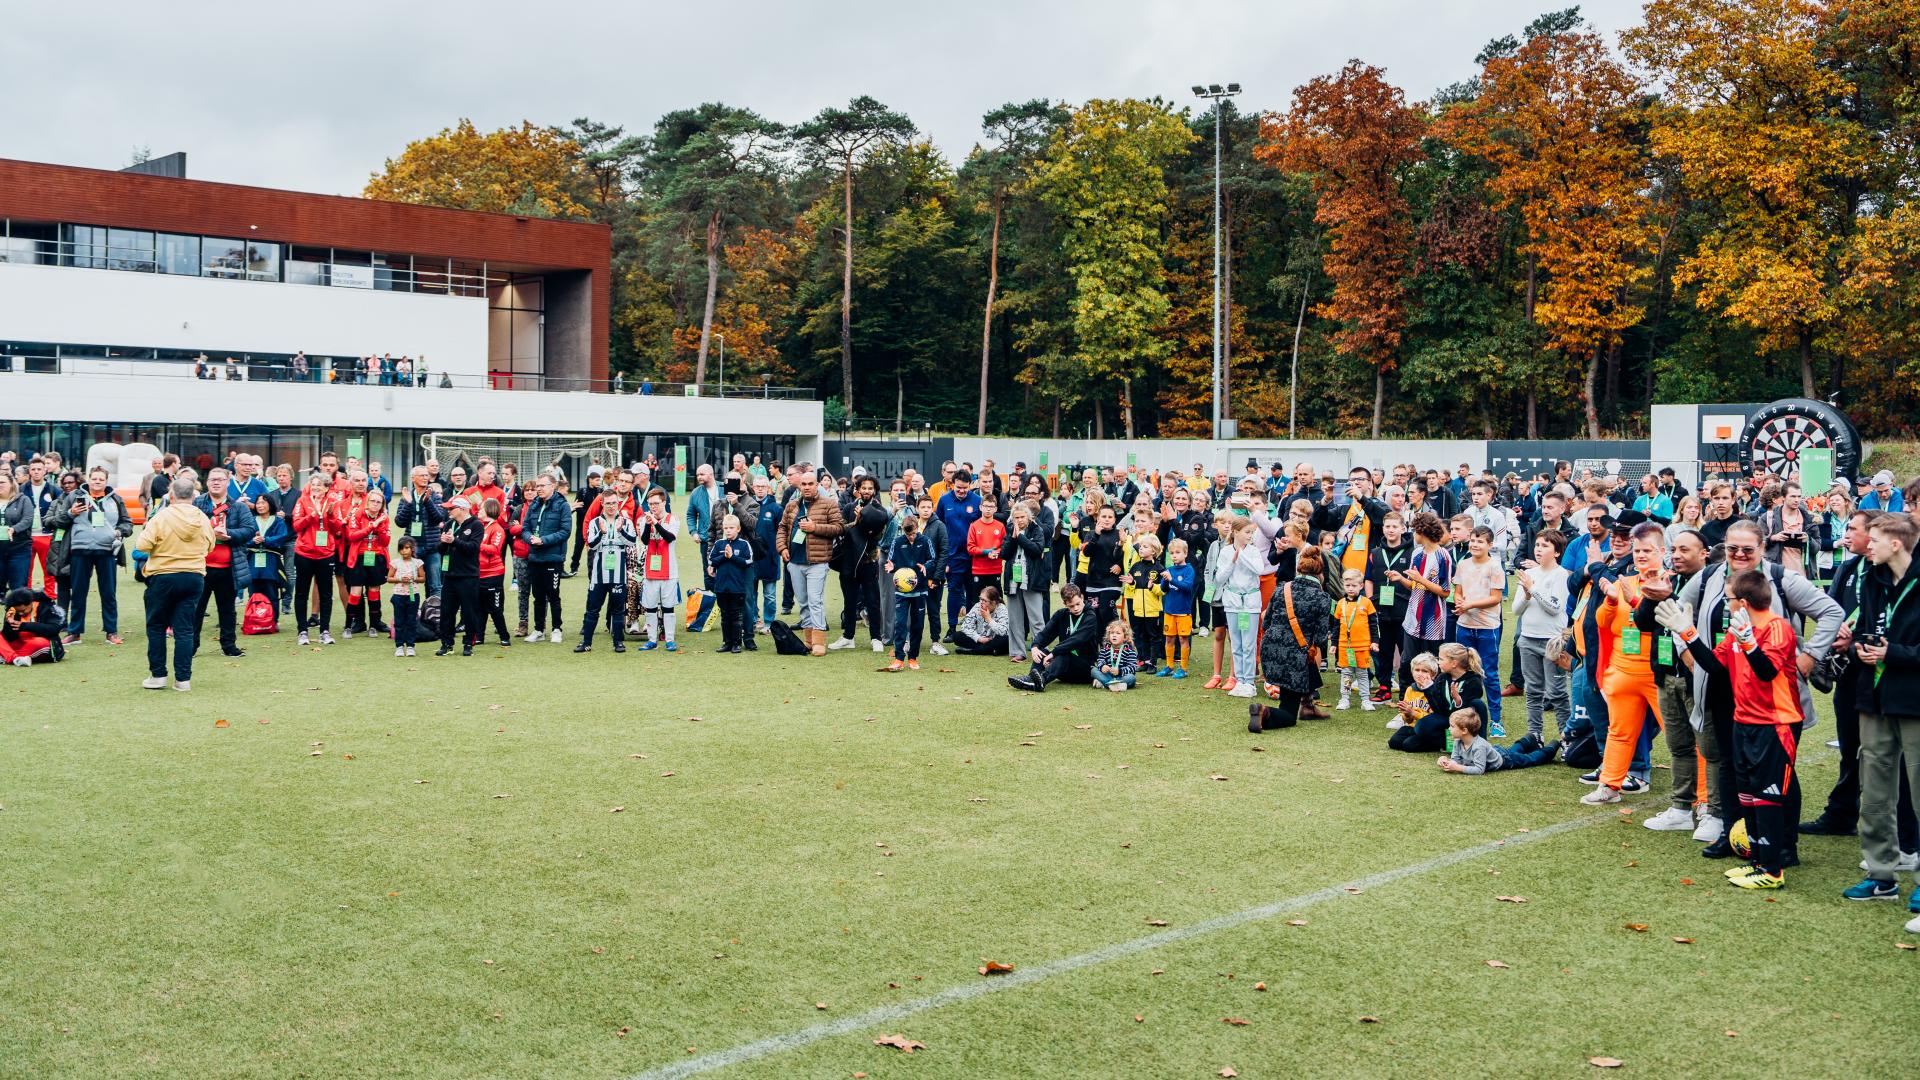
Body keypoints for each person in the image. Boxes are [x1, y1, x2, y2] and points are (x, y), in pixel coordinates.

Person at [1654, 569, 1803, 890]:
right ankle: (1757, 862)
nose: (1726, 603)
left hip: (1775, 725)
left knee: (1767, 796)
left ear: (1744, 603)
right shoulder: (1737, 631)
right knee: (1747, 795)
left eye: (1729, 598)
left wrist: (1749, 642)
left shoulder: (1777, 628)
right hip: (1743, 722)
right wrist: (1687, 634)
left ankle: (1773, 870)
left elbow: (1766, 672)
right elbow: (1714, 667)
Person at [1802, 510, 1919, 852]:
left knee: (1900, 765)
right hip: (1857, 677)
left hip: (1897, 682)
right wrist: (1847, 638)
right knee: (1854, 750)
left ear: (1879, 537)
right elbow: (1839, 612)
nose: (1848, 534)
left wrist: (1880, 649)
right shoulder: (1853, 568)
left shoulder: (1896, 575)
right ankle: (1843, 815)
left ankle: (1906, 841)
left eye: (1854, 529)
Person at [1838, 514, 1920, 920]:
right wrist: (1858, 647)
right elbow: (1866, 631)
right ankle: (1881, 874)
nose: (1866, 546)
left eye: (1874, 540)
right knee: (1874, 792)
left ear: (1896, 544)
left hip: (1913, 700)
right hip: (1873, 697)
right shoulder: (1871, 579)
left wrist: (1893, 653)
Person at [1581, 520, 1670, 806]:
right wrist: (1609, 602)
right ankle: (1610, 785)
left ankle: (1702, 800)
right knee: (1618, 731)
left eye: (1648, 550)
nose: (1641, 555)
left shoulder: (1670, 583)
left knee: (1681, 736)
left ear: (1662, 551)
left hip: (1659, 672)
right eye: (1638, 550)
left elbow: (1663, 622)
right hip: (1622, 670)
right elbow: (1602, 622)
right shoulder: (1624, 582)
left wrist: (1634, 602)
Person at [134, 476, 213, 691]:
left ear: (171, 495)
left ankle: (158, 675)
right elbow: (210, 546)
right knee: (185, 630)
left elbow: (142, 545)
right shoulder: (202, 518)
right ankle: (183, 679)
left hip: (163, 575)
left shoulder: (161, 517)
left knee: (156, 626)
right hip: (193, 576)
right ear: (193, 495)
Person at [1252, 546, 1334, 731]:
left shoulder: (1282, 588)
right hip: (1294, 658)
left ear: (1299, 570)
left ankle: (1308, 706)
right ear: (1320, 574)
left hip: (1269, 649)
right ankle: (1264, 711)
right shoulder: (1323, 598)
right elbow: (1321, 639)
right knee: (1289, 715)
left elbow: (1266, 621)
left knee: (1306, 655)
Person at [51, 466, 132, 647]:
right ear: (88, 479)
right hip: (80, 550)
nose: (97, 482)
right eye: (94, 478)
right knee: (78, 593)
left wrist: (119, 532)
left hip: (107, 551)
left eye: (101, 479)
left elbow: (127, 523)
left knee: (108, 593)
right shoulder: (74, 496)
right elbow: (59, 520)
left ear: (106, 481)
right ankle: (74, 633)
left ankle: (111, 632)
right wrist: (71, 512)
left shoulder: (116, 499)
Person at [190, 468, 257, 659]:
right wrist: (209, 533)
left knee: (227, 609)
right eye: (212, 479)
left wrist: (229, 534)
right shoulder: (197, 504)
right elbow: (188, 527)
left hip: (228, 568)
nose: (216, 482)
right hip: (200, 567)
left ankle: (229, 645)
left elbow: (250, 529)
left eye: (220, 479)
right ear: (207, 482)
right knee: (195, 609)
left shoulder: (238, 507)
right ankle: (191, 646)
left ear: (228, 482)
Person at [777, 470, 846, 657]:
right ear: (799, 486)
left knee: (815, 601)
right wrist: (782, 548)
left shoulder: (829, 504)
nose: (807, 487)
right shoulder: (792, 505)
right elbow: (782, 528)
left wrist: (814, 527)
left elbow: (839, 528)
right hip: (795, 561)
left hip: (817, 562)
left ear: (817, 485)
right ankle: (808, 640)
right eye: (804, 484)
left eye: (810, 484)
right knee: (803, 602)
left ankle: (819, 641)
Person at [1513, 529, 1572, 743]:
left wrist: (1533, 590)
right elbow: (1516, 609)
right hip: (1528, 638)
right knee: (1533, 690)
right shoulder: (1530, 574)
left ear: (1557, 552)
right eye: (1537, 545)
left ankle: (1567, 738)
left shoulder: (1561, 575)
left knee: (1557, 692)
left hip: (1552, 641)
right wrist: (1527, 595)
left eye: (1545, 546)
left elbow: (1554, 608)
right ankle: (1535, 734)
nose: (1538, 549)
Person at [1388, 511, 1453, 689]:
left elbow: (1445, 592)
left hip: (1433, 621)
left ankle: (1431, 699)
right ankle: (1406, 700)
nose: (1413, 535)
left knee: (1431, 665)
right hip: (1412, 618)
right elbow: (1414, 585)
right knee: (1407, 663)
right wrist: (1401, 579)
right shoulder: (1417, 553)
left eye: (1414, 530)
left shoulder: (1443, 556)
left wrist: (1421, 580)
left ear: (1422, 532)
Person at [1389, 642, 1488, 753]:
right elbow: (1438, 709)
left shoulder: (1473, 681)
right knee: (1417, 730)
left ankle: (1479, 746)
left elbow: (1466, 712)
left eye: (1441, 659)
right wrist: (1428, 689)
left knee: (1478, 704)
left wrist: (1457, 700)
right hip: (1445, 719)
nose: (1438, 662)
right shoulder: (1442, 678)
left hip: (1462, 722)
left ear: (1454, 663)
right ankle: (1445, 742)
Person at [1009, 583, 1099, 693]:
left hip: (1085, 669)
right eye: (1071, 606)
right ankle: (1031, 679)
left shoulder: (1090, 616)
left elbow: (1077, 640)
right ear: (1065, 604)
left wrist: (1054, 654)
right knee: (1042, 651)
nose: (1076, 608)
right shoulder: (1061, 615)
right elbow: (1045, 634)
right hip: (1063, 670)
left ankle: (1042, 680)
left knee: (1064, 653)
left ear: (1082, 597)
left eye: (1078, 604)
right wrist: (1035, 646)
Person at [574, 496, 637, 654]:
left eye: (614, 503)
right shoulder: (595, 522)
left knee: (618, 610)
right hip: (599, 575)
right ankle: (586, 643)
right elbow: (591, 544)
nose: (611, 506)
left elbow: (632, 542)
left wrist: (620, 530)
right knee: (592, 609)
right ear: (602, 504)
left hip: (618, 575)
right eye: (608, 503)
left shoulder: (626, 522)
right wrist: (602, 533)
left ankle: (618, 643)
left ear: (618, 503)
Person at [1213, 516, 1266, 699]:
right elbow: (1219, 579)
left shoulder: (1253, 551)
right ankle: (1240, 680)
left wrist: (1241, 555)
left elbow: (1259, 570)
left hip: (1250, 603)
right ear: (1236, 532)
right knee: (1236, 643)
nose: (1250, 536)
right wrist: (1232, 561)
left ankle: (1249, 682)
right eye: (1247, 532)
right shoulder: (1225, 551)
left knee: (1248, 644)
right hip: (1232, 602)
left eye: (1252, 532)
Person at [520, 472, 571, 643]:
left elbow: (565, 531)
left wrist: (543, 540)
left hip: (553, 558)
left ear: (552, 486)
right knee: (538, 596)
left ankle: (557, 629)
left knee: (553, 595)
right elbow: (525, 528)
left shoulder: (562, 505)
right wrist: (530, 538)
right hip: (535, 557)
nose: (538, 489)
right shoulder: (534, 504)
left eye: (542, 485)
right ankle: (538, 630)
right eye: (538, 486)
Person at [291, 471, 340, 646]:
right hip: (304, 553)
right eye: (313, 484)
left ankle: (325, 631)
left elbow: (337, 528)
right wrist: (312, 515)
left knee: (326, 594)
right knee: (302, 592)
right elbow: (296, 526)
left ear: (327, 488)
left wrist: (330, 515)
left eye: (319, 485)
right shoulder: (302, 501)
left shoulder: (332, 502)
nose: (316, 487)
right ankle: (302, 631)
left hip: (325, 554)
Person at [935, 469, 986, 639]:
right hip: (953, 556)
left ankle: (970, 629)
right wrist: (942, 556)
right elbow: (939, 526)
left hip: (974, 556)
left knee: (973, 593)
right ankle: (952, 628)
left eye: (965, 488)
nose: (961, 491)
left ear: (970, 485)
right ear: (953, 484)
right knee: (954, 591)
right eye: (958, 488)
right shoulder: (944, 500)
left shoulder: (977, 501)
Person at [1436, 708, 1560, 774]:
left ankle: (1552, 747)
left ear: (1464, 730)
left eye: (1452, 726)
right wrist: (1447, 761)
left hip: (1504, 760)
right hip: (1495, 752)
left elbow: (1479, 770)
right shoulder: (1458, 741)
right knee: (1512, 750)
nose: (1449, 729)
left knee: (1529, 759)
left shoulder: (1478, 747)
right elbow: (1456, 760)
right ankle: (1529, 739)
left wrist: (1457, 768)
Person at [885, 513, 935, 672]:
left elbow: (933, 559)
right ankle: (899, 658)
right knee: (900, 624)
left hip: (920, 591)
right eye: (908, 535)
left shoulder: (925, 541)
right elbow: (891, 561)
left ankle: (913, 658)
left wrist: (926, 566)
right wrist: (892, 567)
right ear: (903, 531)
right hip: (902, 592)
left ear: (917, 528)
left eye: (913, 533)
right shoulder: (897, 542)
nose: (911, 537)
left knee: (917, 626)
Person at [1003, 500, 1050, 666]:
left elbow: (1036, 550)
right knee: (1015, 618)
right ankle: (1017, 652)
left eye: (1022, 517)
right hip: (1013, 579)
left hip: (1032, 579)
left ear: (1029, 517)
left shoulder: (1037, 529)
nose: (1020, 520)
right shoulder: (1010, 529)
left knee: (1036, 618)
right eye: (1016, 517)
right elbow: (1004, 553)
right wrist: (1013, 538)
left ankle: (1041, 650)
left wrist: (1021, 538)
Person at [436, 498, 485, 656]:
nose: (448, 511)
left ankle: (468, 643)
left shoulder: (476, 525)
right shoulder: (449, 524)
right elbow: (441, 550)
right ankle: (446, 643)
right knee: (446, 612)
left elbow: (473, 548)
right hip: (449, 575)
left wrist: (454, 541)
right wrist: (444, 542)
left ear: (463, 509)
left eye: (451, 508)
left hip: (468, 575)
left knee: (469, 612)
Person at [343, 488, 391, 641]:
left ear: (382, 504)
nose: (375, 504)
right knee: (355, 593)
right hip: (358, 557)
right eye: (373, 501)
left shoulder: (384, 518)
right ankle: (348, 626)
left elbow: (385, 541)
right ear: (367, 501)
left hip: (376, 558)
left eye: (379, 502)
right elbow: (351, 536)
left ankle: (373, 626)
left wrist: (380, 527)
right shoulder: (357, 514)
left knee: (374, 591)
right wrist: (371, 526)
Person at [393, 466, 447, 599]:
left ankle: (433, 610)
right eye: (422, 475)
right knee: (410, 582)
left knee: (435, 585)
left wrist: (428, 502)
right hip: (412, 548)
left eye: (426, 475)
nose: (425, 478)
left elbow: (439, 518)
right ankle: (412, 609)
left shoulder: (434, 496)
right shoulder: (406, 497)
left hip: (432, 547)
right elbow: (400, 522)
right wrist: (409, 504)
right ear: (413, 478)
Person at [706, 514, 754, 654]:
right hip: (721, 587)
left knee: (736, 616)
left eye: (731, 528)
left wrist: (732, 556)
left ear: (738, 529)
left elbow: (748, 561)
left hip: (737, 588)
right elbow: (711, 561)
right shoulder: (719, 544)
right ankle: (727, 643)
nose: (728, 530)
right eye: (726, 528)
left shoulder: (744, 544)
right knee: (725, 616)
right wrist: (724, 556)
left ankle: (737, 643)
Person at [1332, 567, 1379, 711]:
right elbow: (1336, 626)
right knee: (1346, 674)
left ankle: (1365, 700)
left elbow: (1373, 624)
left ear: (1361, 585)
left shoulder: (1367, 603)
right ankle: (1344, 698)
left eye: (1354, 585)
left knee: (1362, 674)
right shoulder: (1340, 604)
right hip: (1345, 647)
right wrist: (1334, 644)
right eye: (1348, 585)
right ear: (1343, 585)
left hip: (1362, 647)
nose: (1351, 588)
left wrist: (1375, 641)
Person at [1123, 531, 1165, 674]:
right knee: (1141, 635)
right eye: (1140, 546)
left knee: (1153, 636)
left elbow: (1163, 590)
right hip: (1138, 609)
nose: (1141, 548)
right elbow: (1132, 588)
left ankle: (1153, 663)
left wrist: (1153, 587)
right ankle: (1144, 661)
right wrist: (1131, 583)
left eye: (1145, 547)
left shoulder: (1159, 568)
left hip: (1153, 610)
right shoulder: (1135, 566)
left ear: (1153, 551)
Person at [1159, 537, 1197, 678]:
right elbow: (1164, 589)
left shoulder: (1189, 570)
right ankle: (1169, 666)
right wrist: (1165, 580)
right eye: (1172, 553)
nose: (1174, 555)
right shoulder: (1169, 569)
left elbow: (1187, 587)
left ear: (1185, 553)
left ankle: (1183, 668)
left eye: (1177, 552)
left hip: (1183, 612)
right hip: (1169, 611)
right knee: (1169, 639)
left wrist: (1171, 579)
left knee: (1183, 639)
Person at [2, 586, 64, 666]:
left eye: (23, 610)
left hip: (40, 644)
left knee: (39, 643)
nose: (20, 613)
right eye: (18, 611)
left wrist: (24, 626)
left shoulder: (44, 606)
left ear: (30, 603)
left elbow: (54, 629)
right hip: (20, 644)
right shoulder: (12, 610)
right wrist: (8, 623)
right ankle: (16, 658)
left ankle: (6, 656)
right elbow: (7, 638)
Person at [1093, 617, 1140, 692]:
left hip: (1122, 677)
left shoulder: (1129, 651)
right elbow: (1100, 660)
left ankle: (1105, 683)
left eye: (1118, 633)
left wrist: (1119, 671)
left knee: (1131, 678)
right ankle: (1113, 685)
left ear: (1125, 637)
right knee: (1093, 670)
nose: (1114, 635)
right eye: (1112, 633)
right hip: (1107, 675)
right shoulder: (1105, 649)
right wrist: (1102, 667)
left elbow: (1132, 667)